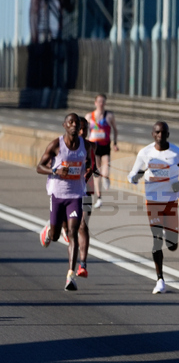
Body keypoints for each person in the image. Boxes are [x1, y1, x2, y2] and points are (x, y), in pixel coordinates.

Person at [127, 122, 179, 294]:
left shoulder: (177, 153)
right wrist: (138, 175)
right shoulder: (145, 153)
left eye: (163, 132)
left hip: (171, 200)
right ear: (152, 134)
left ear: (168, 134)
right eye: (157, 132)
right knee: (156, 240)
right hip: (153, 200)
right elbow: (131, 177)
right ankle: (160, 279)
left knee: (172, 245)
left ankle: (167, 232)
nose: (160, 135)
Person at [36, 113, 92, 291]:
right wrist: (55, 171)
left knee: (74, 232)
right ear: (64, 125)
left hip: (75, 195)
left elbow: (91, 162)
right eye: (71, 122)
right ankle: (49, 230)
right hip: (57, 195)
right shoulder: (56, 145)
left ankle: (70, 275)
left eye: (77, 123)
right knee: (55, 235)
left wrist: (89, 171)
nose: (74, 125)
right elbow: (39, 167)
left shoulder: (86, 145)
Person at [74, 117, 98, 279]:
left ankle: (82, 264)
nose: (83, 132)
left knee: (83, 225)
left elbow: (93, 165)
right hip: (68, 191)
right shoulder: (63, 145)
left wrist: (88, 172)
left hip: (87, 190)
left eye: (85, 129)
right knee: (70, 227)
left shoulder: (90, 146)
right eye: (80, 129)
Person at [85, 93, 118, 209]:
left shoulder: (109, 116)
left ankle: (106, 177)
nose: (101, 103)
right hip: (93, 146)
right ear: (95, 103)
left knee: (106, 167)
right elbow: (83, 130)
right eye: (99, 101)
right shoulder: (89, 116)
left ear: (105, 103)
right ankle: (99, 197)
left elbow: (115, 130)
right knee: (96, 173)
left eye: (103, 101)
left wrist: (115, 143)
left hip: (105, 145)